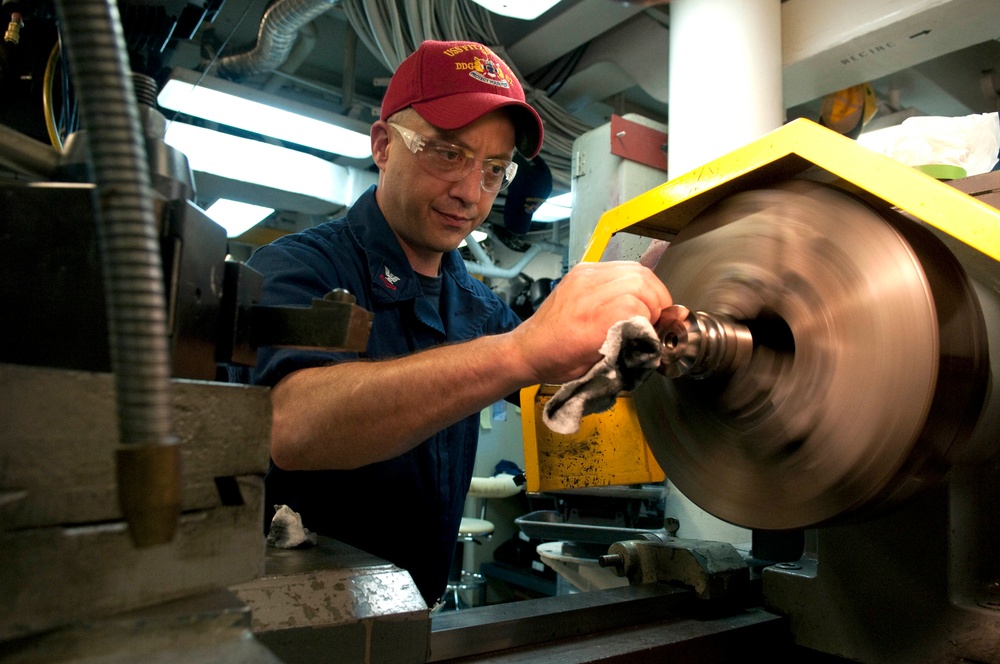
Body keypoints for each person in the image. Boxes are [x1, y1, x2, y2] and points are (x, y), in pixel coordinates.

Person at [241, 39, 676, 607]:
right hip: (297, 619)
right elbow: (293, 427)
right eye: (447, 153)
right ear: (383, 145)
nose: (471, 193)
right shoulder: (299, 266)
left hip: (416, 618)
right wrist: (519, 350)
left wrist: (646, 330)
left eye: (494, 169)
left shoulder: (475, 304)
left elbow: (567, 387)